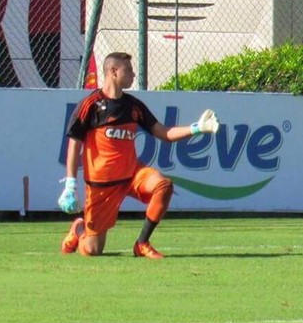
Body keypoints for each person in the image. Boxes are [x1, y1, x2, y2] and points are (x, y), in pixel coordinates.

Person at [57, 52, 220, 259]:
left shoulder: (133, 106)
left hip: (132, 174)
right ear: (113, 71)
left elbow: (164, 133)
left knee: (164, 185)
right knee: (92, 250)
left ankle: (142, 243)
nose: (133, 74)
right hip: (102, 185)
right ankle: (78, 230)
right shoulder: (91, 105)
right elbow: (74, 145)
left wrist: (197, 128)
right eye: (129, 69)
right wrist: (70, 185)